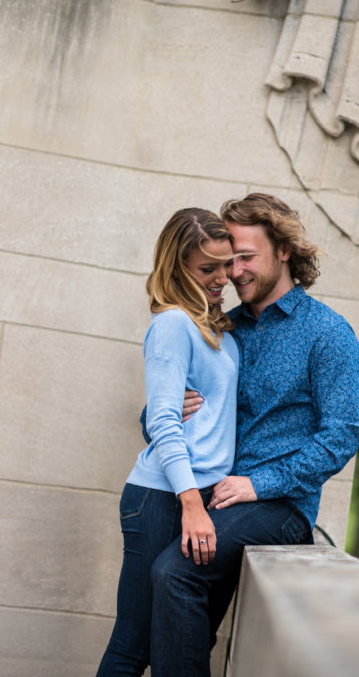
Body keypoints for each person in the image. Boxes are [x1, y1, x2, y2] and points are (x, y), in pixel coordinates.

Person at [148, 193, 359, 677]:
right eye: (226, 261)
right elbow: (167, 402)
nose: (233, 272)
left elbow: (341, 435)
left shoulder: (329, 334)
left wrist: (258, 484)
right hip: (210, 499)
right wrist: (158, 413)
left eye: (246, 257)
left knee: (173, 574)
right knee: (173, 625)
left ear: (283, 251)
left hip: (278, 508)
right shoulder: (221, 326)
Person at [96, 208, 241, 676]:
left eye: (226, 263)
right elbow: (162, 421)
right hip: (163, 497)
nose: (223, 277)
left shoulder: (217, 329)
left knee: (167, 648)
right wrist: (193, 503)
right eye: (207, 269)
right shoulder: (173, 325)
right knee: (132, 647)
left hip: (191, 498)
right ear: (177, 268)